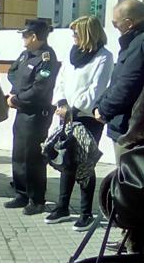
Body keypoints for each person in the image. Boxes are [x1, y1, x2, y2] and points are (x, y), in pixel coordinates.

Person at [45, 16, 113, 231]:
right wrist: (62, 103)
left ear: (87, 33)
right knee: (66, 160)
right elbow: (61, 81)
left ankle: (86, 213)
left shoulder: (104, 57)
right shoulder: (71, 54)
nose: (73, 37)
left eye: (76, 33)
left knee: (85, 162)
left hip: (87, 118)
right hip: (66, 114)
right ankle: (62, 207)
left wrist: (73, 109)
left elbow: (96, 89)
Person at [4, 19, 59, 215]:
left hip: (36, 114)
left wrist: (18, 98)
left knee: (33, 158)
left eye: (25, 35)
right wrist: (16, 95)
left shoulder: (47, 58)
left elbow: (40, 88)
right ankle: (21, 194)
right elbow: (12, 73)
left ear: (34, 36)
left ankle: (37, 199)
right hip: (21, 112)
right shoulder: (25, 54)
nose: (22, 38)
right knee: (19, 154)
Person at [94, 0, 144, 164]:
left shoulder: (139, 44)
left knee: (128, 182)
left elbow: (127, 85)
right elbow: (117, 81)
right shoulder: (133, 43)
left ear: (129, 23)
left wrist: (104, 110)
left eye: (116, 24)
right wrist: (100, 104)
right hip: (127, 126)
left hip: (130, 131)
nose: (115, 28)